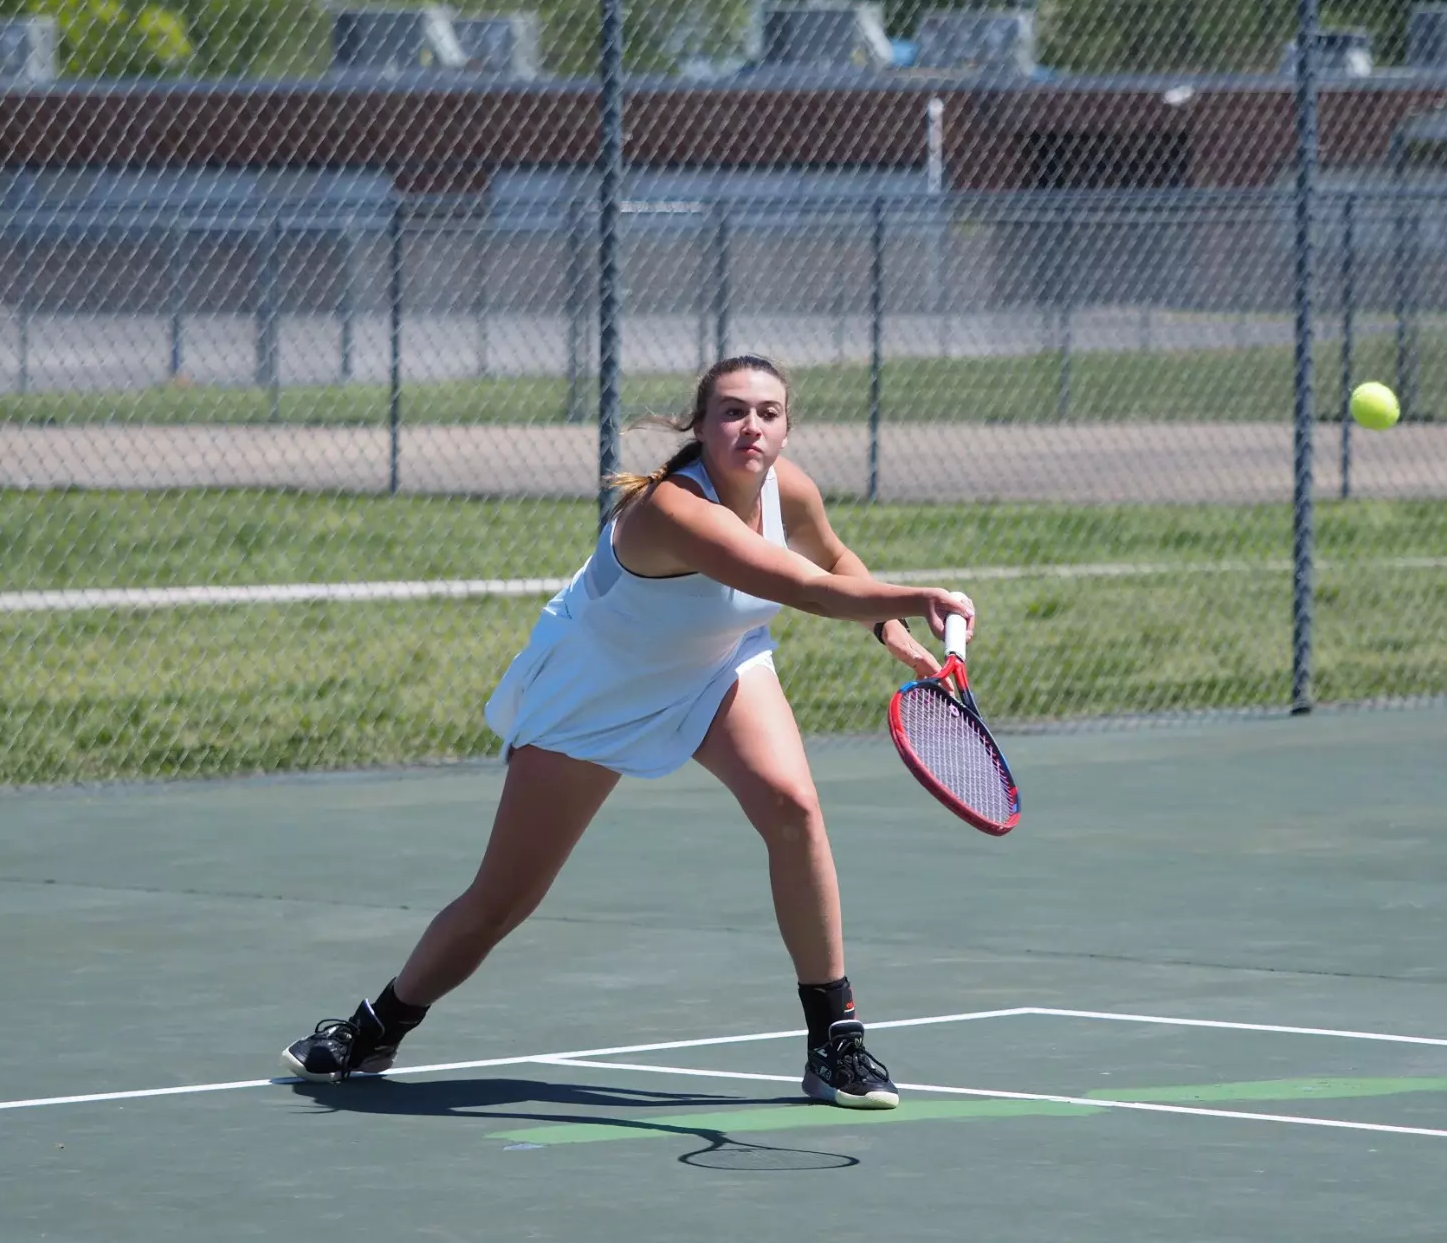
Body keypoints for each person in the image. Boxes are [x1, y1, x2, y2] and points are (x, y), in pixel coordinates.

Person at [281, 355, 975, 1110]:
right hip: (597, 693)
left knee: (793, 807)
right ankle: (375, 1025)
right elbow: (800, 586)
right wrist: (921, 593)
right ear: (702, 426)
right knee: (502, 900)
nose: (752, 426)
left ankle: (835, 1044)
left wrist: (893, 630)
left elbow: (832, 557)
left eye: (768, 413)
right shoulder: (673, 511)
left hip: (717, 666)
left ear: (787, 425)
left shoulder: (788, 487)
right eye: (733, 411)